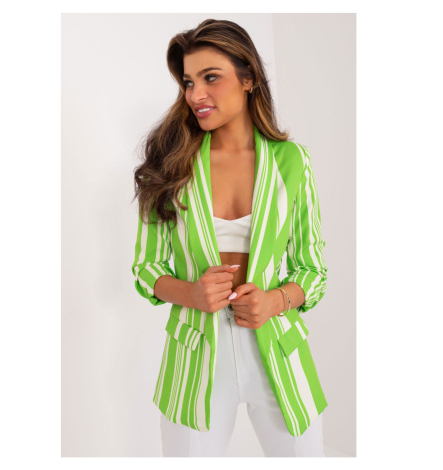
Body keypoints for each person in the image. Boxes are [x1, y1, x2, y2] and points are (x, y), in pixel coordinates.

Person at [132, 19, 328, 457]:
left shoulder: (292, 161)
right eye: (188, 82)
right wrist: (191, 293)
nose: (195, 94)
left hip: (279, 351)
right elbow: (146, 268)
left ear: (248, 78)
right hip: (194, 358)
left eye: (211, 78)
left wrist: (275, 300)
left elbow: (312, 270)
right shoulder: (171, 163)